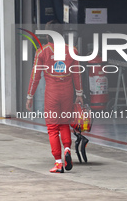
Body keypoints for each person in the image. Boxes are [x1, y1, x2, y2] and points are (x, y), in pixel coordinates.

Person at [26, 23, 83, 173]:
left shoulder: (42, 52)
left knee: (52, 128)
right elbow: (77, 74)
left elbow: (35, 76)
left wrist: (30, 96)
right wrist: (79, 94)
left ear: (46, 35)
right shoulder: (72, 51)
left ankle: (58, 163)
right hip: (67, 92)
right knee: (64, 124)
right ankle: (67, 150)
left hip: (51, 93)